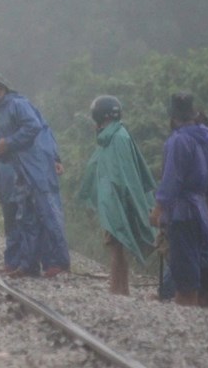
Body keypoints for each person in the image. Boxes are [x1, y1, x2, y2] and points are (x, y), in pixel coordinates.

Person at [0, 72, 70, 278]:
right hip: (18, 175)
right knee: (24, 218)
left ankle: (58, 262)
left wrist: (54, 157)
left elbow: (37, 127)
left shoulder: (19, 105)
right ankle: (27, 264)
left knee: (47, 214)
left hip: (37, 169)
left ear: (2, 89)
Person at [78, 95, 157, 295]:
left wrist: (117, 202)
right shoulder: (112, 136)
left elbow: (122, 176)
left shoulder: (117, 138)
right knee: (117, 245)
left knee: (117, 246)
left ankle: (117, 289)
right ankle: (120, 288)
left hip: (117, 202)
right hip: (114, 201)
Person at [150, 93, 208, 306]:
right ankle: (195, 306)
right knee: (196, 258)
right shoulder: (207, 137)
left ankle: (186, 310)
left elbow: (171, 179)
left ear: (173, 118)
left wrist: (158, 208)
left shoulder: (178, 141)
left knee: (184, 267)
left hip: (181, 211)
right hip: (201, 210)